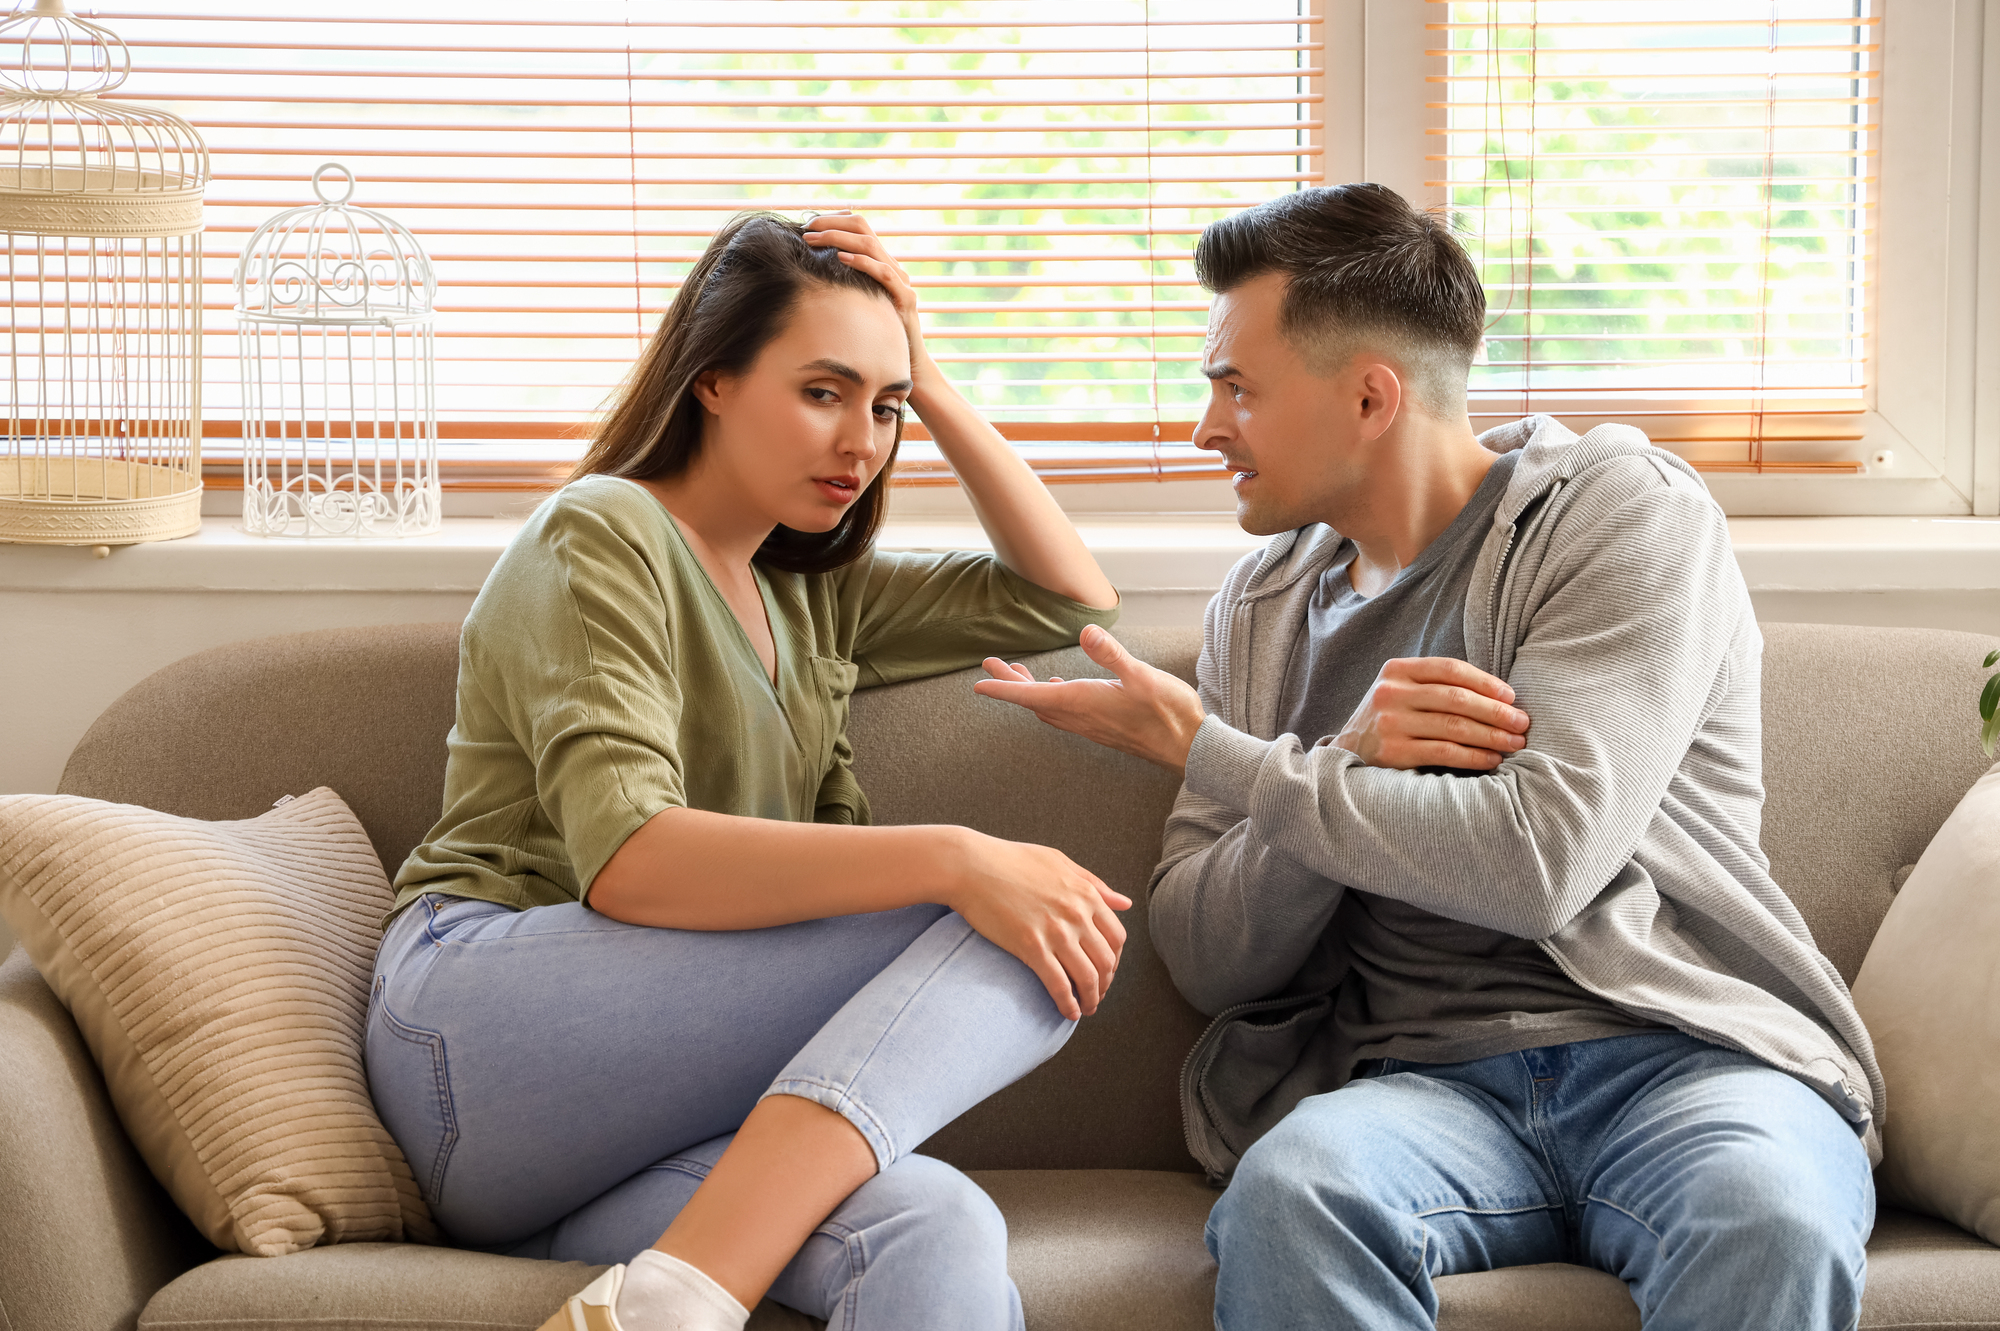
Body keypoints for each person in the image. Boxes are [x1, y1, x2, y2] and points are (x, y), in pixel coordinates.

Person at [973, 183, 1881, 1330]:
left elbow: (1538, 866)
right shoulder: (1258, 605)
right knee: (1291, 1195)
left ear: (1367, 395)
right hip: (1417, 1091)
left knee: (1770, 1217)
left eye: (1235, 387)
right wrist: (1343, 760)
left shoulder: (1620, 515)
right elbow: (1208, 954)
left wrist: (1215, 753)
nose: (1206, 427)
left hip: (1683, 1059)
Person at [367, 211, 1129, 1331]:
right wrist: (955, 857)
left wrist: (934, 378)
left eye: (885, 408)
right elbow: (632, 863)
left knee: (933, 1227)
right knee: (1009, 912)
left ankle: (660, 1288)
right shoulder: (600, 531)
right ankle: (682, 1299)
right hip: (480, 1040)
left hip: (628, 1141)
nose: (861, 441)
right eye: (823, 392)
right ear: (713, 380)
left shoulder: (808, 588)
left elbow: (1067, 602)